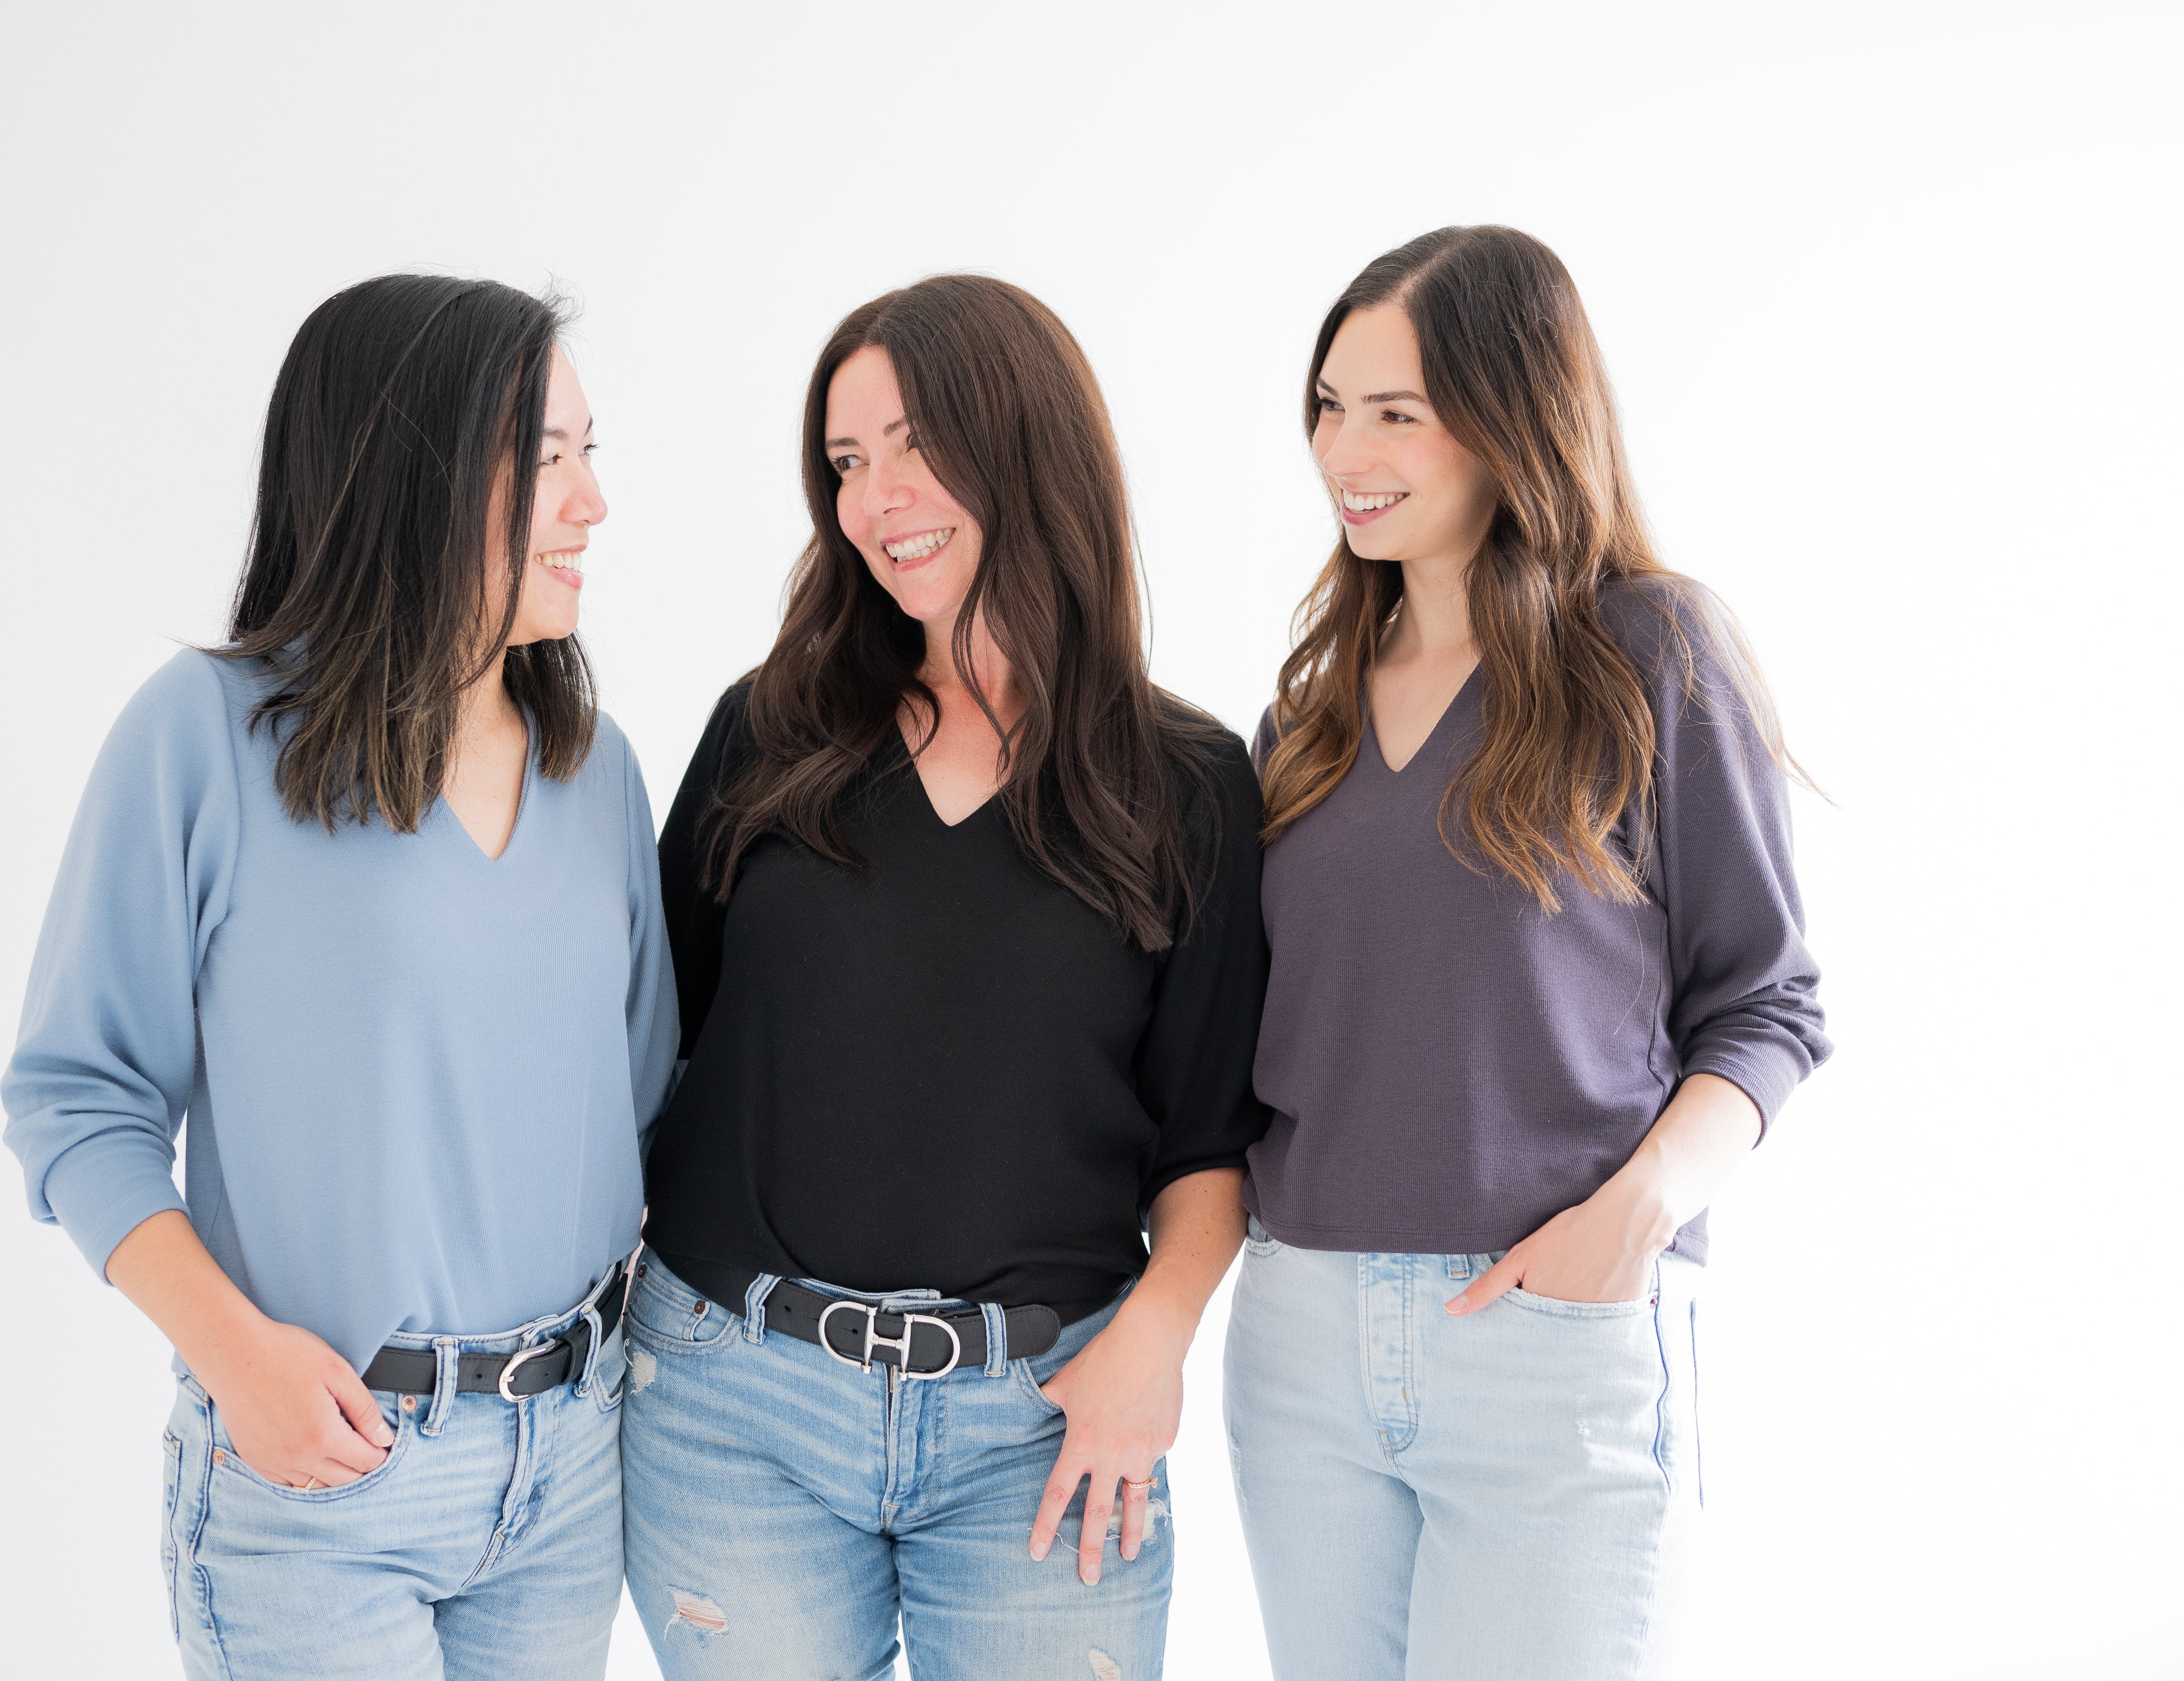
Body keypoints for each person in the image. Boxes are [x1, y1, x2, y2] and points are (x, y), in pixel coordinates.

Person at [0, 274, 677, 1680]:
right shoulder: (202, 739)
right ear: (412, 476)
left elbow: (647, 1104)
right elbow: (76, 1097)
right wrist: (236, 1356)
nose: (591, 504)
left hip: (569, 1473)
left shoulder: (595, 771)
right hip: (320, 1480)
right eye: (545, 459)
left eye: (590, 455)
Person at [623, 274, 1270, 1680]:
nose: (875, 498)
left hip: (1046, 1423)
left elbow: (1211, 1141)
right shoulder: (770, 729)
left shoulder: (1195, 786)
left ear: (1024, 441)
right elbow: (639, 1037)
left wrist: (1155, 1345)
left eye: (911, 443)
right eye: (847, 464)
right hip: (736, 1410)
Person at [1224, 225, 1833, 1681]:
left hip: (1552, 1335)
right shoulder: (1304, 716)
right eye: (1327, 404)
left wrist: (1635, 1217)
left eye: (1395, 413)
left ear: (1512, 420)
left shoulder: (1653, 656)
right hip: (1301, 1335)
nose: (1343, 450)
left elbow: (1767, 1005)